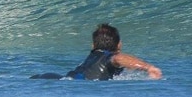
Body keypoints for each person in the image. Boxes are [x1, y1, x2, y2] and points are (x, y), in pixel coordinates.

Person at [30, 23, 162, 80]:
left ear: (93, 45)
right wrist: (148, 68)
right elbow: (118, 58)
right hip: (79, 84)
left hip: (55, 77)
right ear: (119, 45)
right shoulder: (111, 56)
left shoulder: (94, 54)